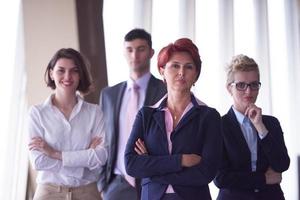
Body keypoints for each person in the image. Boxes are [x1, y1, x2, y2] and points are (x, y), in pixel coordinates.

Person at [124, 38, 223, 200]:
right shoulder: (146, 115)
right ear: (162, 71)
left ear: (196, 74)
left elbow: (206, 173)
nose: (181, 72)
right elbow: (131, 164)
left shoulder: (209, 116)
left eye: (189, 67)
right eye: (175, 65)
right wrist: (181, 160)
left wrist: (152, 170)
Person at [28, 48, 107, 200]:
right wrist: (83, 161)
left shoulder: (95, 112)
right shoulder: (37, 113)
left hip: (87, 192)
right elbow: (38, 161)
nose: (67, 76)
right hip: (49, 193)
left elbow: (101, 156)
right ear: (51, 73)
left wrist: (54, 154)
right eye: (61, 70)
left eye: (74, 71)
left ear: (80, 75)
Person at [98, 28, 167, 200]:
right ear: (124, 52)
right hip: (116, 183)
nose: (134, 55)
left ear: (151, 52)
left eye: (140, 49)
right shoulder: (109, 95)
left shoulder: (164, 91)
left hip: (153, 179)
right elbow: (101, 138)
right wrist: (102, 183)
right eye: (129, 49)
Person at [214, 54, 290, 200]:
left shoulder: (271, 123)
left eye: (254, 85)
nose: (248, 91)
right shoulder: (218, 126)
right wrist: (263, 179)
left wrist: (260, 127)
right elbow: (221, 178)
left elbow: (282, 164)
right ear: (229, 88)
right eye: (241, 85)